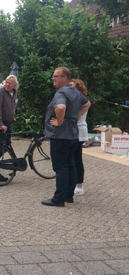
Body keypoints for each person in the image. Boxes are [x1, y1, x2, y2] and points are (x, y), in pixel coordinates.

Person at [42, 67, 91, 207]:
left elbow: (60, 108)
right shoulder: (75, 91)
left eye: (56, 76)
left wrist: (59, 120)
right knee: (71, 165)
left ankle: (58, 199)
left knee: (61, 167)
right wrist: (76, 116)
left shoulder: (61, 92)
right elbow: (87, 103)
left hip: (60, 136)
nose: (53, 78)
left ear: (65, 78)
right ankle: (69, 196)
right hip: (73, 135)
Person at [0, 75, 19, 181]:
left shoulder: (15, 92)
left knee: (6, 145)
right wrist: (1, 123)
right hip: (1, 123)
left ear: (14, 85)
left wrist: (13, 117)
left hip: (9, 123)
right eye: (6, 82)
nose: (7, 84)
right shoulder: (1, 92)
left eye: (9, 83)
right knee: (0, 146)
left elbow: (13, 106)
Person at [72, 79, 89, 196]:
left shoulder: (81, 100)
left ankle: (79, 186)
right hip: (73, 131)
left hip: (78, 131)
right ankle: (73, 183)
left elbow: (75, 116)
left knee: (77, 159)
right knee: (72, 159)